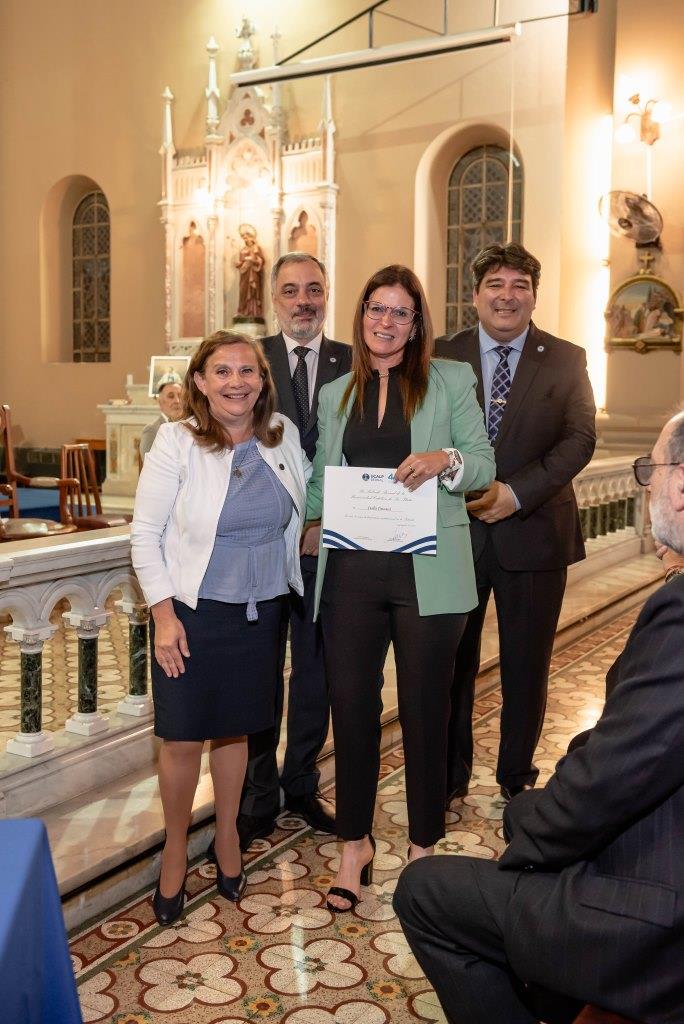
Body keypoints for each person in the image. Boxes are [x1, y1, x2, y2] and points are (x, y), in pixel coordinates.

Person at [394, 409, 684, 1024]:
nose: (646, 485)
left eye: (649, 471)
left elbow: (612, 778)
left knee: (426, 891)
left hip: (662, 924)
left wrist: (527, 825)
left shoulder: (679, 614)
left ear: (682, 487)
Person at [306, 264, 495, 912]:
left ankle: (423, 847)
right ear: (360, 319)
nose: (385, 322)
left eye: (399, 313)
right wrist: (307, 520)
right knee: (352, 707)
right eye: (375, 310)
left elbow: (485, 463)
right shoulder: (335, 392)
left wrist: (448, 461)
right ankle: (354, 844)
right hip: (353, 571)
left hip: (428, 570)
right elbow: (320, 479)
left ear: (417, 326)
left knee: (424, 710)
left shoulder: (449, 380)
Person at [131, 331, 309, 926]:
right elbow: (144, 535)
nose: (237, 382)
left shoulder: (282, 437)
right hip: (191, 614)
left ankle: (227, 836)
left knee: (236, 732)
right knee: (182, 737)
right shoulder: (177, 442)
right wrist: (162, 616)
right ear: (200, 382)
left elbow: (305, 517)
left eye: (248, 371)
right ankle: (176, 848)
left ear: (263, 380)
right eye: (222, 371)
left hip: (261, 614)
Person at [435, 243, 596, 802]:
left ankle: (515, 779)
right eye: (495, 285)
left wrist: (516, 493)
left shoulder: (567, 358)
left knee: (527, 666)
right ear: (475, 295)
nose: (507, 295)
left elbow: (580, 438)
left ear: (533, 295)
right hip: (456, 532)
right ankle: (450, 777)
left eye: (519, 285)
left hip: (535, 534)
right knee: (452, 664)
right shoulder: (440, 355)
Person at [225, 252, 352, 853]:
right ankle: (258, 793)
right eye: (291, 291)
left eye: (314, 289)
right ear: (273, 300)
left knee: (315, 673)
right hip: (261, 551)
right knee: (256, 674)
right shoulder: (250, 364)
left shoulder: (355, 363)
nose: (303, 300)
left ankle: (301, 780)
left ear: (327, 295)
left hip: (331, 549)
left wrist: (327, 519)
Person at [139, 381, 183, 462]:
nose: (177, 401)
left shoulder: (190, 427)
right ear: (160, 403)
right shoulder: (151, 430)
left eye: (180, 396)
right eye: (171, 396)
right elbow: (149, 464)